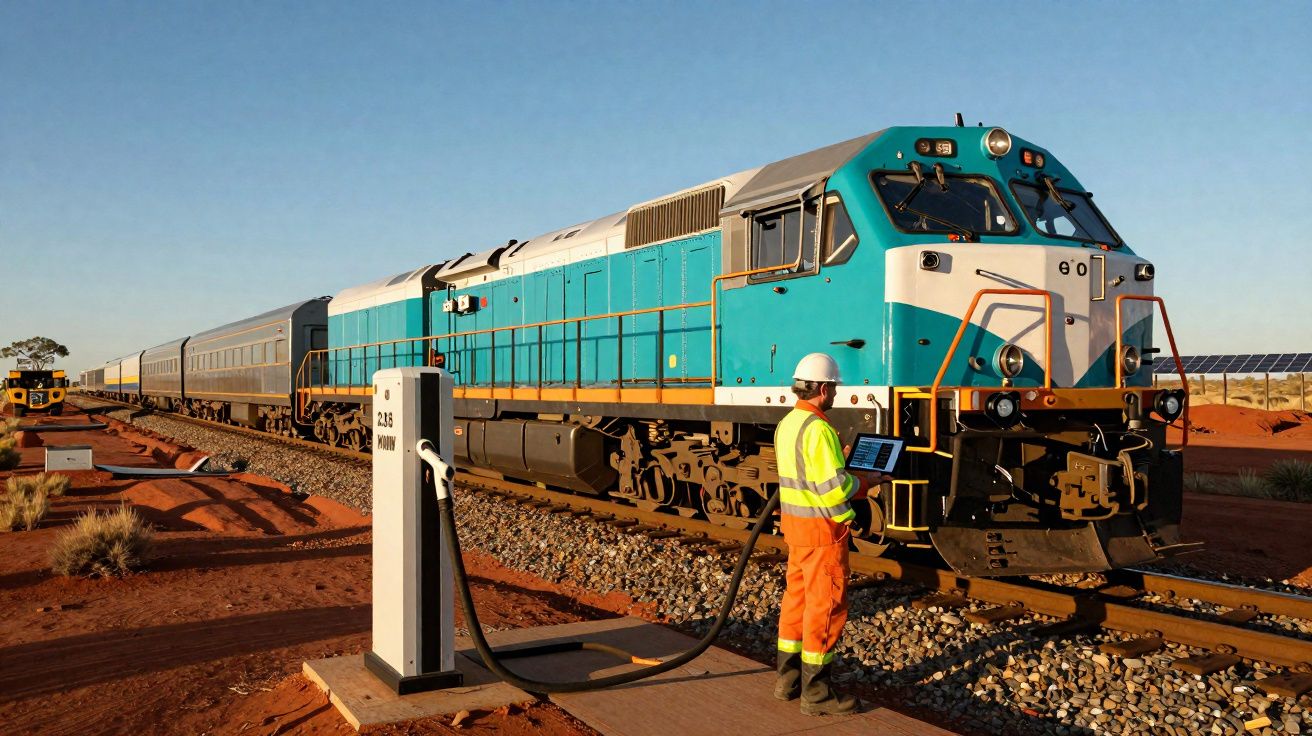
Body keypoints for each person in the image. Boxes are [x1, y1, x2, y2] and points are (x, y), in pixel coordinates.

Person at [773, 353, 889, 716]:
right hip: (824, 532)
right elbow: (834, 487)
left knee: (797, 603)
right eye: (834, 388)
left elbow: (807, 474)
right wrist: (867, 483)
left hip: (797, 529)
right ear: (823, 389)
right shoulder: (819, 429)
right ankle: (817, 693)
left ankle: (787, 681)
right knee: (825, 609)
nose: (835, 393)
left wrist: (839, 457)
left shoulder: (788, 424)